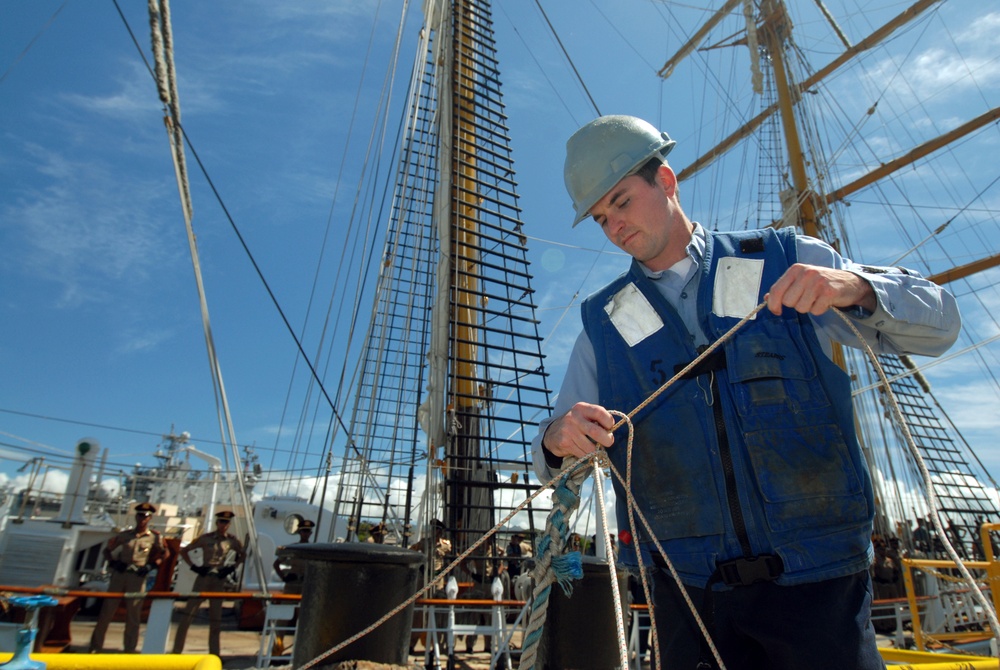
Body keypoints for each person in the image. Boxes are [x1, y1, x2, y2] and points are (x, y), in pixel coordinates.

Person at [532, 115, 961, 669]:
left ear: (666, 182)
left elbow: (942, 324)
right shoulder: (603, 325)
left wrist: (854, 287)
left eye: (621, 201)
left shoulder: (783, 259)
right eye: (600, 218)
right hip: (688, 594)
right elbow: (552, 457)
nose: (614, 225)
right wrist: (556, 438)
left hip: (819, 582)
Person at [89, 502, 167, 653]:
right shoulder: (124, 536)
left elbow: (165, 554)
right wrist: (113, 562)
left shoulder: (154, 537)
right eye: (139, 515)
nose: (141, 519)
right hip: (120, 575)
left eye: (145, 516)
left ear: (150, 518)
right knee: (106, 613)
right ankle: (95, 647)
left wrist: (151, 566)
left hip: (137, 578)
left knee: (134, 615)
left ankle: (129, 649)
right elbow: (107, 551)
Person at [172, 510, 246, 656]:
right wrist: (195, 567)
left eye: (226, 522)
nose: (223, 525)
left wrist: (231, 567)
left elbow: (243, 554)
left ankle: (214, 654)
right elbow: (185, 551)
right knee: (188, 615)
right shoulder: (205, 539)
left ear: (229, 524)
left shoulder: (231, 541)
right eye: (221, 522)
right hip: (203, 577)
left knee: (216, 619)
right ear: (216, 523)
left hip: (219, 579)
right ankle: (176, 651)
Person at [272, 519, 314, 595]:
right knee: (287, 604)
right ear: (300, 532)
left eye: (307, 531)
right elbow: (276, 564)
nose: (306, 534)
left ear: (310, 533)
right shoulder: (292, 548)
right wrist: (284, 578)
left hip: (305, 583)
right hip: (292, 583)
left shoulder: (313, 550)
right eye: (304, 531)